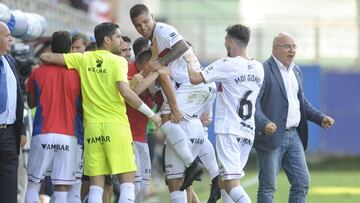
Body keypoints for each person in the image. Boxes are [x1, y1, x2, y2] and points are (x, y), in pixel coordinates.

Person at [40, 22, 161, 203]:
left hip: (93, 129)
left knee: (96, 185)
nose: (121, 41)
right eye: (118, 37)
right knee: (127, 183)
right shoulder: (118, 61)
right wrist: (152, 114)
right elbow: (125, 91)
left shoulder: (84, 58)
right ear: (107, 40)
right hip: (116, 127)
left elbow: (46, 57)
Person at [130, 5, 214, 199]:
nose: (143, 27)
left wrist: (159, 65)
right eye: (138, 25)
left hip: (187, 95)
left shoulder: (162, 31)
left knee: (166, 117)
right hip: (189, 104)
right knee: (180, 184)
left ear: (152, 17)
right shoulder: (155, 47)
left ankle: (197, 166)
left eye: (145, 22)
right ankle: (207, 171)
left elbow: (183, 46)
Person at [185, 24, 264, 203]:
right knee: (227, 181)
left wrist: (189, 59)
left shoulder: (227, 64)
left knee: (231, 183)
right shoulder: (259, 68)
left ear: (230, 41)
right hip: (247, 132)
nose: (224, 43)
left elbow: (195, 78)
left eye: (225, 39)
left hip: (229, 129)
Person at [254, 32, 335, 203]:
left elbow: (301, 102)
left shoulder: (296, 70)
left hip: (294, 136)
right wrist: (263, 123)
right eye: (287, 46)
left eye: (294, 46)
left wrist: (320, 118)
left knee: (302, 182)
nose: (292, 50)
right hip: (271, 136)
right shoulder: (263, 70)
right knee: (268, 188)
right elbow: (254, 103)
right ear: (275, 48)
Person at [25, 30, 81, 203]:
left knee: (34, 183)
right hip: (68, 136)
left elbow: (32, 103)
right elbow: (82, 106)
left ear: (51, 48)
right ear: (71, 49)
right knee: (62, 187)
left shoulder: (38, 72)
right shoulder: (78, 74)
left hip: (43, 133)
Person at [0, 21, 26, 203]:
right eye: (7, 35)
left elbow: (18, 98)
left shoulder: (10, 61)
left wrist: (22, 130)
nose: (11, 39)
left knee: (9, 189)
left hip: (9, 133)